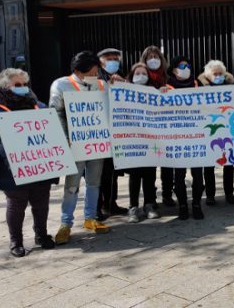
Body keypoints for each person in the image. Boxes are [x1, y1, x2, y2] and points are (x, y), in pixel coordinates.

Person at [0, 69, 56, 257]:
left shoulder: (39, 107)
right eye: (17, 85)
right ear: (5, 87)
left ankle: (41, 235)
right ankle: (15, 241)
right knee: (16, 205)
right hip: (11, 170)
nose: (23, 88)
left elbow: (53, 137)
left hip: (41, 166)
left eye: (25, 84)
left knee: (41, 203)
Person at [50, 51, 110, 244]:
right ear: (77, 70)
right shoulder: (61, 84)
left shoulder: (101, 84)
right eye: (91, 73)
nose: (95, 76)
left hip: (96, 143)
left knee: (94, 181)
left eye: (96, 72)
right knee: (72, 184)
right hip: (74, 144)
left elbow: (110, 108)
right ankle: (66, 223)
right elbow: (55, 112)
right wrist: (65, 137)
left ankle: (90, 217)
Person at [164, 55, 205, 220]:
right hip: (177, 139)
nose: (185, 68)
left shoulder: (197, 84)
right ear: (173, 70)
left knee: (197, 175)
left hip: (197, 138)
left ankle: (196, 204)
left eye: (187, 65)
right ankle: (182, 205)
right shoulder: (167, 86)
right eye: (181, 66)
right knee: (179, 176)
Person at [196, 60, 234, 206]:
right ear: (208, 75)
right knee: (208, 165)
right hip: (208, 130)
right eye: (215, 74)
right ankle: (210, 194)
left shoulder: (231, 87)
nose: (218, 76)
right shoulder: (199, 87)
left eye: (221, 73)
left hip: (227, 129)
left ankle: (229, 193)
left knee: (228, 163)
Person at [125, 63, 160, 223]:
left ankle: (149, 205)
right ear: (131, 76)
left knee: (149, 175)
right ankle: (133, 207)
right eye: (137, 73)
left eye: (144, 73)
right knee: (134, 176)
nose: (141, 76)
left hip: (151, 140)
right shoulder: (124, 92)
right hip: (133, 140)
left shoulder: (154, 91)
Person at [96, 48, 127, 219]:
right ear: (101, 61)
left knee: (113, 172)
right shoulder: (95, 78)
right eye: (109, 58)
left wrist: (123, 84)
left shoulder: (120, 75)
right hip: (100, 133)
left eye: (116, 58)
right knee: (99, 174)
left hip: (117, 132)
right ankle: (98, 206)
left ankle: (111, 203)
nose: (113, 61)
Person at [140, 46, 172, 207]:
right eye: (149, 57)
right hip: (147, 130)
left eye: (156, 56)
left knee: (168, 166)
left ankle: (167, 195)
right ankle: (150, 200)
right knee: (149, 169)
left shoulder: (168, 78)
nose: (153, 59)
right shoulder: (140, 77)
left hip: (167, 129)